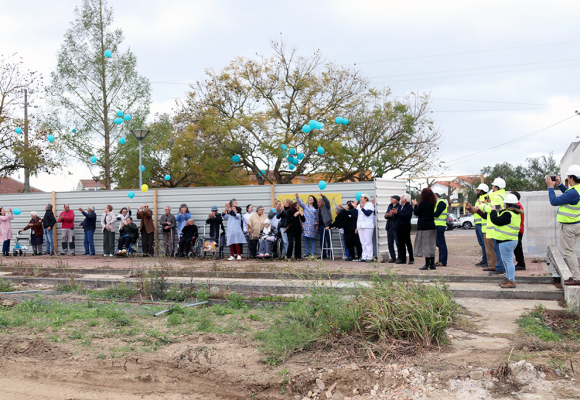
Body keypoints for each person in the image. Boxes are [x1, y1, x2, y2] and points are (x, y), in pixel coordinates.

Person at [547, 166, 580, 285]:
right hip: (576, 223)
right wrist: (560, 185)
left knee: (569, 252)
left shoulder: (573, 192)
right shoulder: (577, 190)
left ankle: (577, 278)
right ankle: (576, 276)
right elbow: (570, 196)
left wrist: (551, 187)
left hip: (569, 226)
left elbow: (554, 201)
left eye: (568, 177)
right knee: (571, 251)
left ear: (571, 177)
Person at [490, 193, 523, 288]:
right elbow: (505, 220)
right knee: (506, 261)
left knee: (508, 261)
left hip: (506, 241)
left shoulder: (508, 214)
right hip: (509, 240)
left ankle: (511, 280)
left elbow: (496, 220)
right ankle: (508, 278)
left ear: (507, 204)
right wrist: (501, 211)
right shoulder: (514, 213)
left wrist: (493, 211)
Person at [481, 178, 507, 275]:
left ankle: (500, 268)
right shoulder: (503, 195)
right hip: (499, 226)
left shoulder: (497, 197)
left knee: (497, 249)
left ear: (497, 187)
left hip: (496, 227)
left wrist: (481, 206)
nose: (492, 187)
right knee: (498, 249)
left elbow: (490, 209)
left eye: (493, 186)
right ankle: (499, 266)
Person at [412, 188, 437, 270]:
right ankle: (432, 264)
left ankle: (427, 264)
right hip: (432, 226)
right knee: (431, 245)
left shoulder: (423, 203)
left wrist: (415, 204)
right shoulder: (432, 203)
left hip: (424, 227)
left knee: (426, 246)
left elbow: (416, 212)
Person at [466, 184, 490, 268]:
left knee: (484, 244)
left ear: (482, 191)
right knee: (482, 244)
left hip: (482, 224)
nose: (477, 191)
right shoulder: (479, 199)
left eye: (478, 190)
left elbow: (483, 211)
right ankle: (484, 260)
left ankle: (486, 261)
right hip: (478, 224)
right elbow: (476, 211)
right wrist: (470, 209)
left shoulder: (485, 199)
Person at [295, 193, 318, 258]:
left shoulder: (315, 208)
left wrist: (317, 225)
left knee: (313, 240)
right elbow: (299, 202)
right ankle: (306, 253)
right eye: (309, 198)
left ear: (313, 201)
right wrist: (297, 196)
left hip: (313, 226)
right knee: (306, 240)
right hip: (305, 226)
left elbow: (317, 217)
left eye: (311, 198)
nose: (310, 199)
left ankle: (313, 254)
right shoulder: (305, 206)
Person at [394, 194, 414, 265]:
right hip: (399, 226)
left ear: (405, 199)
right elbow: (399, 215)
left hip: (405, 226)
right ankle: (403, 259)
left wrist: (398, 213)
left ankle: (411, 259)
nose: (400, 198)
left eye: (402, 197)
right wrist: (395, 213)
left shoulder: (409, 206)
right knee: (400, 243)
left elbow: (406, 215)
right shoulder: (400, 206)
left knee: (407, 242)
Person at [356, 193, 375, 262]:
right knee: (363, 242)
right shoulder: (359, 205)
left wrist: (362, 208)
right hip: (360, 225)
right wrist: (355, 207)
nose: (360, 198)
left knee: (368, 242)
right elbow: (356, 215)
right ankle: (364, 256)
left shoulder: (370, 205)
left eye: (361, 197)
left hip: (368, 225)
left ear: (365, 198)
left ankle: (370, 256)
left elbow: (368, 213)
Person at [432, 187, 448, 267]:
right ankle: (441, 260)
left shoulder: (441, 202)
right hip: (438, 225)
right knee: (439, 244)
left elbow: (437, 214)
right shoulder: (438, 202)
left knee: (441, 244)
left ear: (435, 194)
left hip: (440, 225)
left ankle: (443, 261)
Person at [511, 191, 526, 271]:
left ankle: (521, 263)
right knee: (517, 247)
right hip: (518, 229)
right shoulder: (517, 205)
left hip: (518, 230)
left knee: (518, 247)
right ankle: (520, 263)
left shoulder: (517, 206)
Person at [384, 195, 401, 263]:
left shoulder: (399, 206)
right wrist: (386, 215)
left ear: (396, 200)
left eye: (392, 198)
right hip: (389, 226)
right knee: (390, 243)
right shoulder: (390, 206)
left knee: (398, 243)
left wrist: (393, 215)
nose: (390, 199)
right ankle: (392, 257)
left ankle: (399, 257)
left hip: (396, 227)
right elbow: (386, 213)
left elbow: (399, 215)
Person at [316, 193, 332, 258]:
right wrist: (316, 225)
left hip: (327, 225)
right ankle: (323, 254)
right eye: (317, 202)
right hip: (321, 226)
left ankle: (330, 254)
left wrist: (322, 196)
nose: (318, 203)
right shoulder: (317, 210)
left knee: (328, 240)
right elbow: (317, 218)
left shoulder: (326, 206)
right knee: (322, 241)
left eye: (319, 202)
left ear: (323, 203)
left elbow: (327, 201)